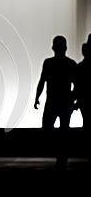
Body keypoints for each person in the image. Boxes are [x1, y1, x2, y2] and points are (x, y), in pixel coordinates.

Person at [34, 36, 77, 168]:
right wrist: (73, 100)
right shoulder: (70, 64)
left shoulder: (49, 63)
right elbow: (78, 85)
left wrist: (37, 98)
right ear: (65, 48)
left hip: (53, 101)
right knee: (64, 130)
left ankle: (60, 155)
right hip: (64, 102)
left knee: (48, 128)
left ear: (53, 48)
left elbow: (42, 81)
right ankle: (62, 156)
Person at [74, 41, 91, 129]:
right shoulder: (79, 67)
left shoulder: (80, 67)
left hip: (83, 100)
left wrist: (75, 101)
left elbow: (78, 87)